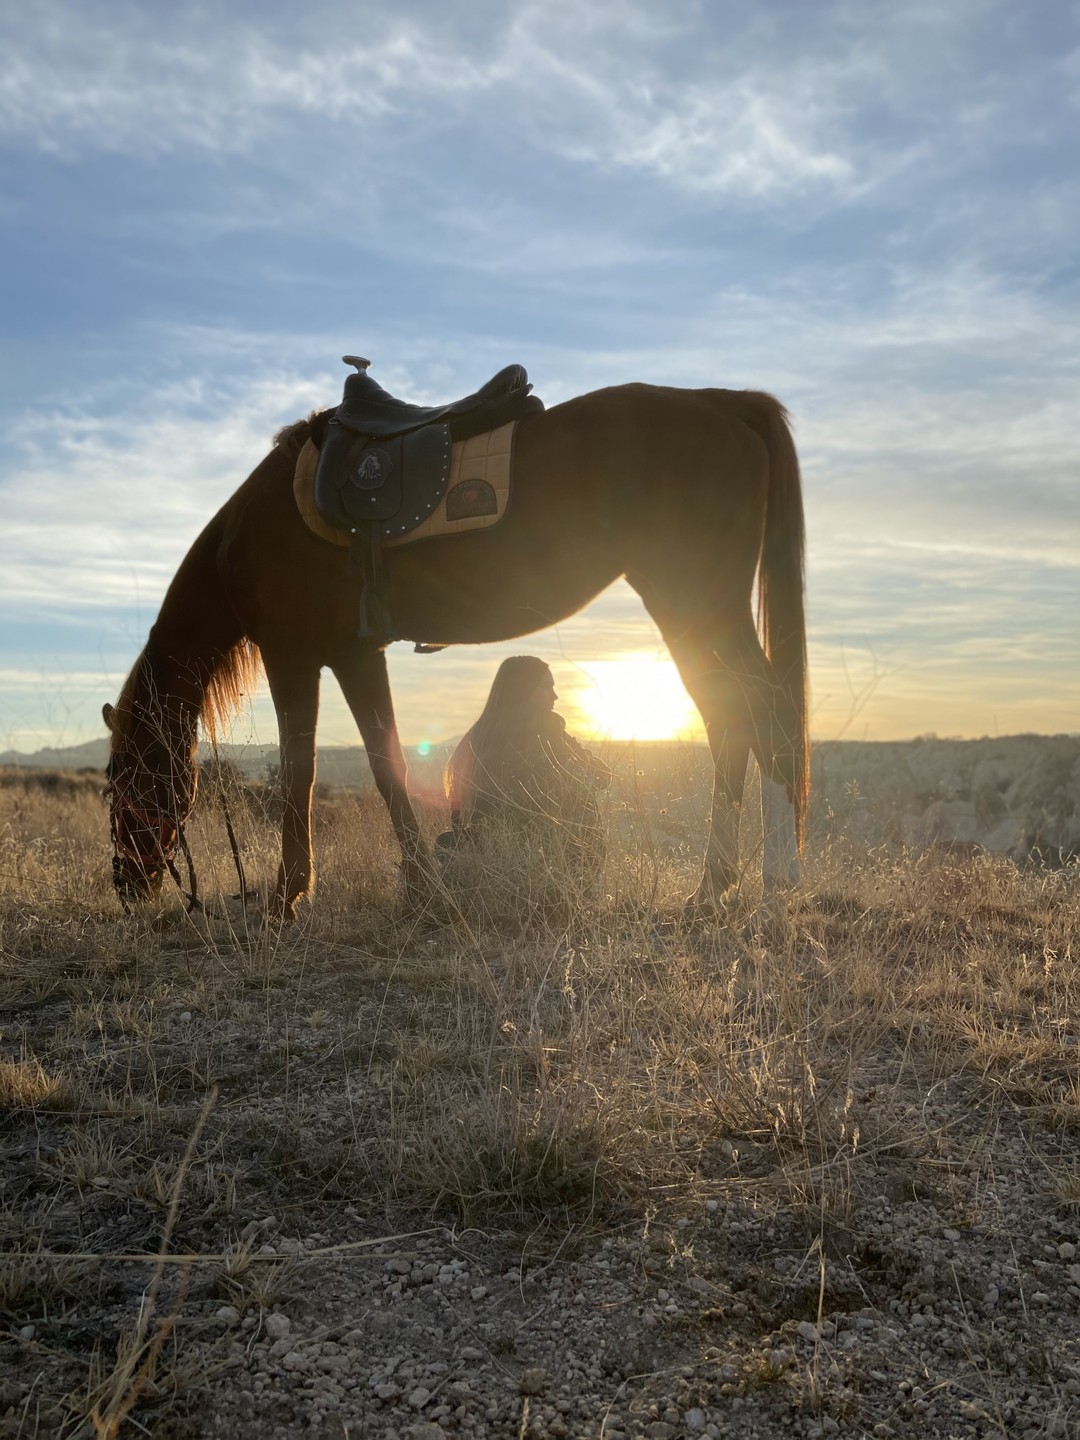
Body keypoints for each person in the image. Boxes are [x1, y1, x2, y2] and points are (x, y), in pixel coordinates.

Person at [439, 656, 611, 876]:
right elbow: (601, 777)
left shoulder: (478, 737)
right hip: (548, 868)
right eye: (546, 687)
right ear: (523, 691)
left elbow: (460, 815)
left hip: (491, 867)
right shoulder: (547, 731)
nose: (555, 696)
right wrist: (560, 735)